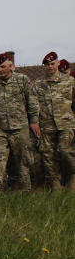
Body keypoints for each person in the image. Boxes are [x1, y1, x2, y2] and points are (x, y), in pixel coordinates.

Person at [0, 53, 39, 192]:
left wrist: (34, 121)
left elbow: (32, 101)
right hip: (0, 127)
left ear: (10, 67)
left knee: (22, 160)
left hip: (20, 127)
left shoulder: (22, 80)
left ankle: (25, 189)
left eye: (3, 67)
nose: (0, 70)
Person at [34, 51, 75, 190]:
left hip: (66, 123)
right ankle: (56, 184)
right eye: (47, 64)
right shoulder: (38, 84)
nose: (50, 67)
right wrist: (35, 123)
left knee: (65, 150)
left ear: (58, 63)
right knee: (48, 156)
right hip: (46, 125)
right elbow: (34, 106)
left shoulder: (69, 81)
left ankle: (72, 176)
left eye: (52, 63)